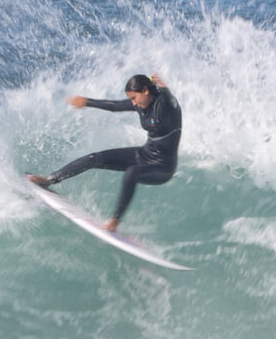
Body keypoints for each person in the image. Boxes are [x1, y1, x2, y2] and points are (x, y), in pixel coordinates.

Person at [27, 74, 182, 232]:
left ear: (146, 91)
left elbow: (170, 99)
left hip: (163, 166)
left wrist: (165, 89)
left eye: (135, 97)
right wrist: (87, 102)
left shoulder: (165, 104)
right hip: (145, 153)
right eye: (131, 99)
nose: (133, 102)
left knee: (132, 173)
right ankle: (49, 180)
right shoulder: (140, 104)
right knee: (95, 158)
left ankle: (114, 222)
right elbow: (114, 106)